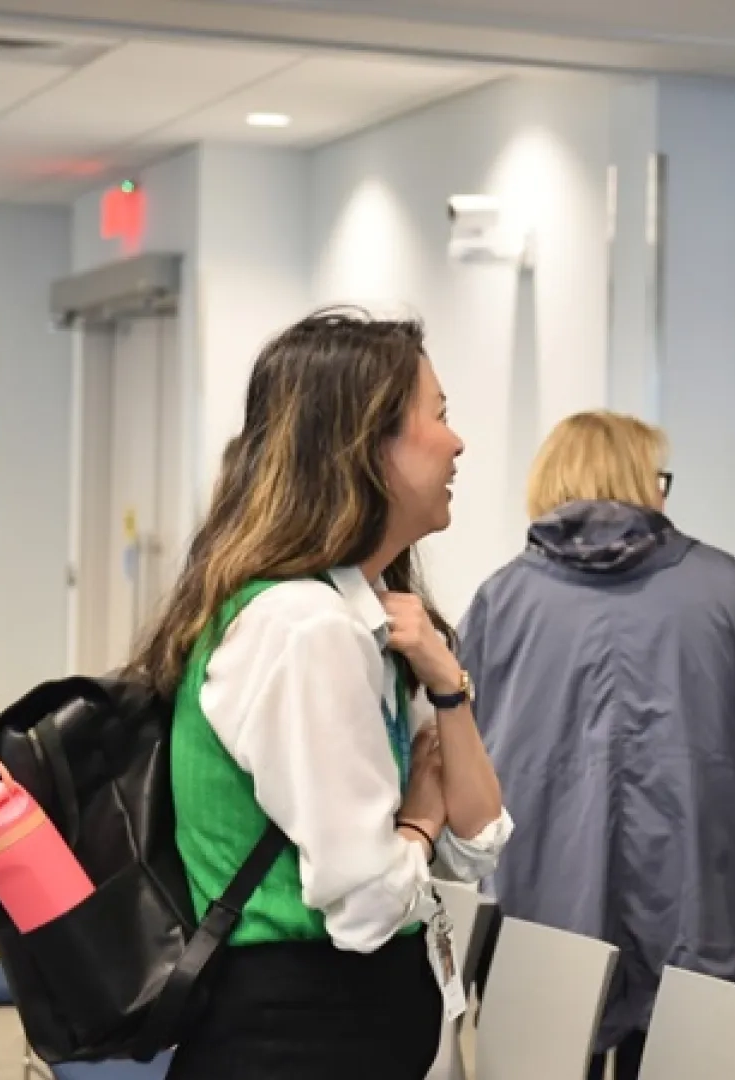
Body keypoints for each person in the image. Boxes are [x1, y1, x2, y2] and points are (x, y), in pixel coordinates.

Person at [126, 309, 513, 1080]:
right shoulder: (303, 628)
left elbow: (476, 844)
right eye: (438, 415)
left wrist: (449, 688)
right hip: (296, 1041)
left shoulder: (359, 616)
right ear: (367, 445)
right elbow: (371, 899)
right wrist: (418, 817)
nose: (459, 441)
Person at [456, 410, 735, 1080]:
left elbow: (453, 764)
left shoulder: (501, 602)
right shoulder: (727, 592)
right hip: (707, 912)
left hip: (539, 922)